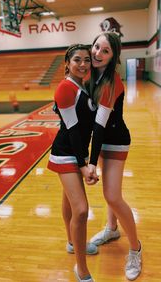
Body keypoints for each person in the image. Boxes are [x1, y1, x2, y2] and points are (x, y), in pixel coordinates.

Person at [85, 32, 142, 281]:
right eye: (96, 46)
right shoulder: (89, 74)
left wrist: (90, 162)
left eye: (105, 50)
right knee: (110, 191)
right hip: (101, 140)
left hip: (116, 142)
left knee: (112, 195)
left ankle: (136, 249)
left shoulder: (112, 81)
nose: (97, 53)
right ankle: (111, 229)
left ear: (113, 57)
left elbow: (99, 126)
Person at [48, 44, 99, 282]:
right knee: (81, 210)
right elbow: (73, 130)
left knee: (69, 200)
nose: (82, 64)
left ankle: (72, 242)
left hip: (76, 151)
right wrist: (83, 164)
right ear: (67, 63)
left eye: (87, 60)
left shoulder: (82, 85)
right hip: (66, 152)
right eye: (77, 60)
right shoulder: (66, 88)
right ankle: (81, 269)